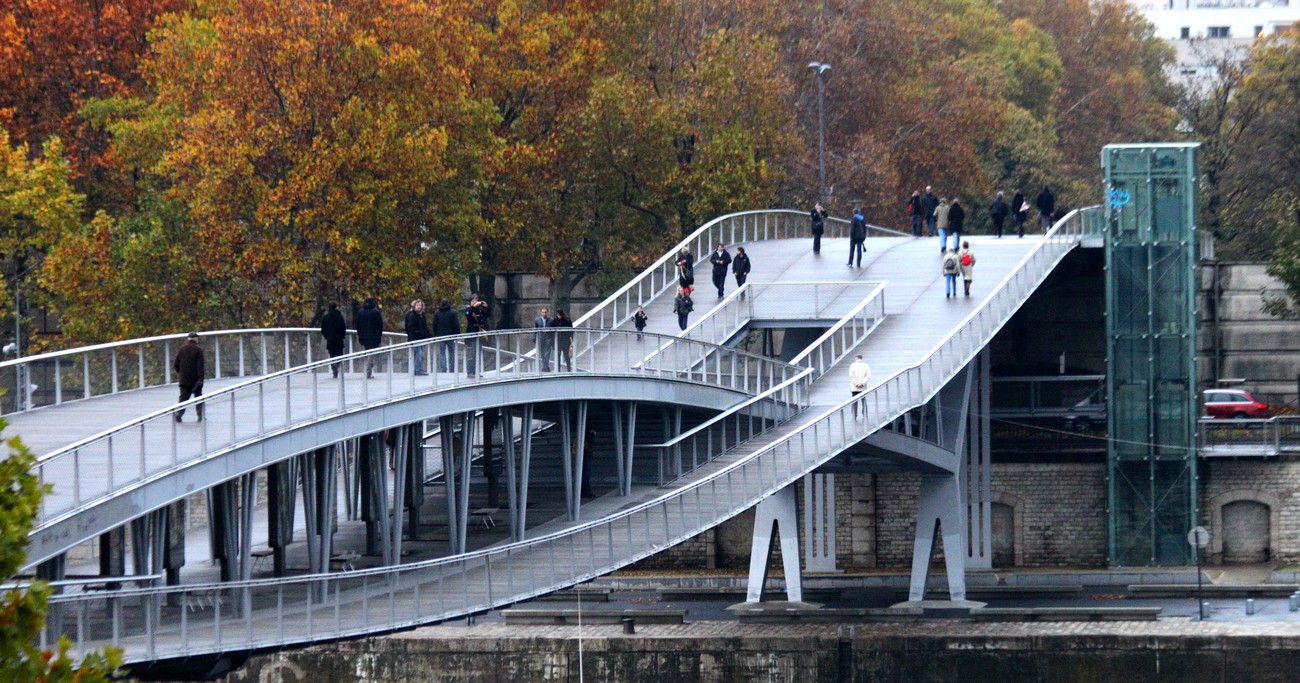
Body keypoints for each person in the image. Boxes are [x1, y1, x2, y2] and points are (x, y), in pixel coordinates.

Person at [173, 331, 205, 422]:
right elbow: (200, 366)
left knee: (183, 397)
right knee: (198, 397)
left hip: (184, 379)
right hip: (195, 379)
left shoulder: (182, 349)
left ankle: (179, 414)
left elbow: (176, 364)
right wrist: (201, 378)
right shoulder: (198, 350)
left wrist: (181, 373)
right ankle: (200, 415)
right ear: (196, 339)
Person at [355, 297, 384, 378]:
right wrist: (379, 335)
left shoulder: (360, 312)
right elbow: (380, 325)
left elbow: (358, 325)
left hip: (364, 336)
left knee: (367, 351)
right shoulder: (376, 312)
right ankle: (368, 371)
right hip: (374, 336)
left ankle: (367, 370)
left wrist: (360, 334)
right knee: (372, 354)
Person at [464, 294, 490, 377]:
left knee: (478, 353)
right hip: (472, 334)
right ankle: (470, 372)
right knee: (472, 354)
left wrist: (486, 307)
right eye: (473, 301)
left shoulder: (480, 309)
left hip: (479, 334)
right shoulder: (469, 309)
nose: (475, 302)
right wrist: (473, 307)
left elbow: (487, 315)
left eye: (476, 300)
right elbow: (467, 314)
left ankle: (476, 371)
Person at [403, 299, 431, 375]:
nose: (419, 307)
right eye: (417, 305)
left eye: (420, 305)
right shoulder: (412, 315)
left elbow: (424, 326)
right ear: (414, 306)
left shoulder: (422, 315)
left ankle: (417, 368)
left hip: (421, 338)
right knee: (419, 354)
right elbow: (410, 327)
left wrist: (428, 334)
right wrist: (418, 333)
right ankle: (417, 369)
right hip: (415, 338)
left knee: (419, 354)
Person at [320, 302, 347, 378]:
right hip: (339, 339)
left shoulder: (326, 317)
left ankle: (333, 369)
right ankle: (337, 365)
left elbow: (323, 329)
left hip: (330, 339)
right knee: (339, 354)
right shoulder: (339, 316)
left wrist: (327, 336)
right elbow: (343, 327)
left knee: (332, 354)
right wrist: (342, 335)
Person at [432, 298, 460, 372]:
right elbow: (456, 324)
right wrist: (457, 334)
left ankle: (443, 368)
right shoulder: (453, 313)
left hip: (441, 335)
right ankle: (452, 368)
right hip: (450, 335)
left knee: (442, 353)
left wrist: (436, 333)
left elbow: (434, 325)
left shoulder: (437, 313)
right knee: (452, 352)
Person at [848, 354, 871, 419]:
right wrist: (862, 383)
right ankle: (865, 415)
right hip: (863, 387)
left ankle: (854, 415)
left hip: (855, 388)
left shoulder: (852, 365)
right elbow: (868, 376)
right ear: (861, 358)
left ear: (856, 358)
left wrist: (856, 383)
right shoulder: (866, 366)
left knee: (854, 402)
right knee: (864, 402)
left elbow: (851, 376)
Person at [533, 307, 553, 371]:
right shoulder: (537, 320)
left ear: (547, 313)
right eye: (543, 312)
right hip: (540, 337)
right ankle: (545, 366)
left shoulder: (551, 320)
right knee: (542, 352)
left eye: (545, 312)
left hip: (548, 337)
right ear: (541, 313)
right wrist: (534, 337)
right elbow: (535, 329)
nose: (544, 314)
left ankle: (545, 367)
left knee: (547, 352)